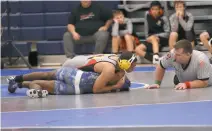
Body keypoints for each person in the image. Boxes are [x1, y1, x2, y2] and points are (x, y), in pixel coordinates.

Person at [7, 67, 131, 98]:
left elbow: (96, 90)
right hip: (73, 75)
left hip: (72, 89)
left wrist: (116, 85)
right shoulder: (108, 69)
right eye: (121, 74)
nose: (120, 76)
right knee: (47, 74)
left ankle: (22, 86)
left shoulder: (118, 85)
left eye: (122, 76)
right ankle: (18, 79)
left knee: (40, 82)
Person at [145, 39, 212, 90]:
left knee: (179, 81)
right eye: (175, 53)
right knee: (177, 81)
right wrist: (157, 83)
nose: (174, 57)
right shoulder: (172, 54)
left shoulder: (201, 60)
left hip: (205, 80)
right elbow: (161, 66)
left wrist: (186, 85)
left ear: (188, 54)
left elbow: (204, 83)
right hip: (185, 78)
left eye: (178, 55)